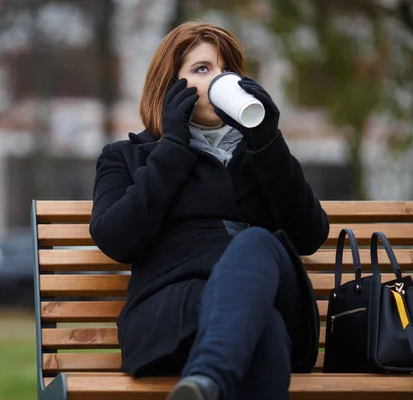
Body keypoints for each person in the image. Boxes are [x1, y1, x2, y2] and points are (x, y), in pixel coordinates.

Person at [89, 21, 330, 400]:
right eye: (203, 69)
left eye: (228, 69)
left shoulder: (261, 153)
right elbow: (115, 238)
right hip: (174, 311)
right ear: (170, 87)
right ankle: (212, 375)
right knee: (261, 327)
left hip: (271, 292)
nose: (221, 79)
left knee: (256, 244)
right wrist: (172, 147)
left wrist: (268, 140)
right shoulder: (128, 156)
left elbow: (311, 235)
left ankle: (206, 378)